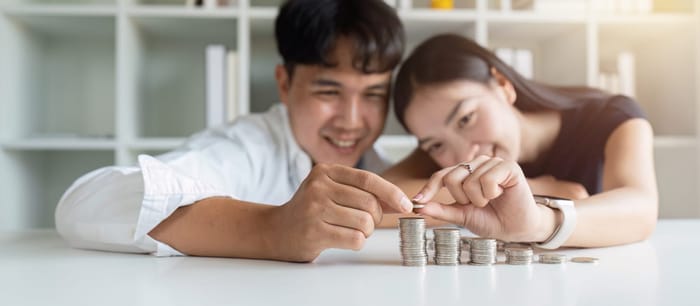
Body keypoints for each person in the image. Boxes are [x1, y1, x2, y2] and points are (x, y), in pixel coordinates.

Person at [55, 0, 412, 262]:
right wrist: (273, 228)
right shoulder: (246, 148)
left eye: (373, 94)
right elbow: (82, 205)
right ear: (284, 84)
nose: (351, 120)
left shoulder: (384, 168)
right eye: (329, 92)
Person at [384, 34, 658, 248]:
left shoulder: (614, 117)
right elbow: (378, 201)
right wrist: (541, 189)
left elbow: (641, 210)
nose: (465, 153)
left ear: (502, 84)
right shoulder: (442, 150)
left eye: (466, 119)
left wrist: (538, 218)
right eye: (435, 144)